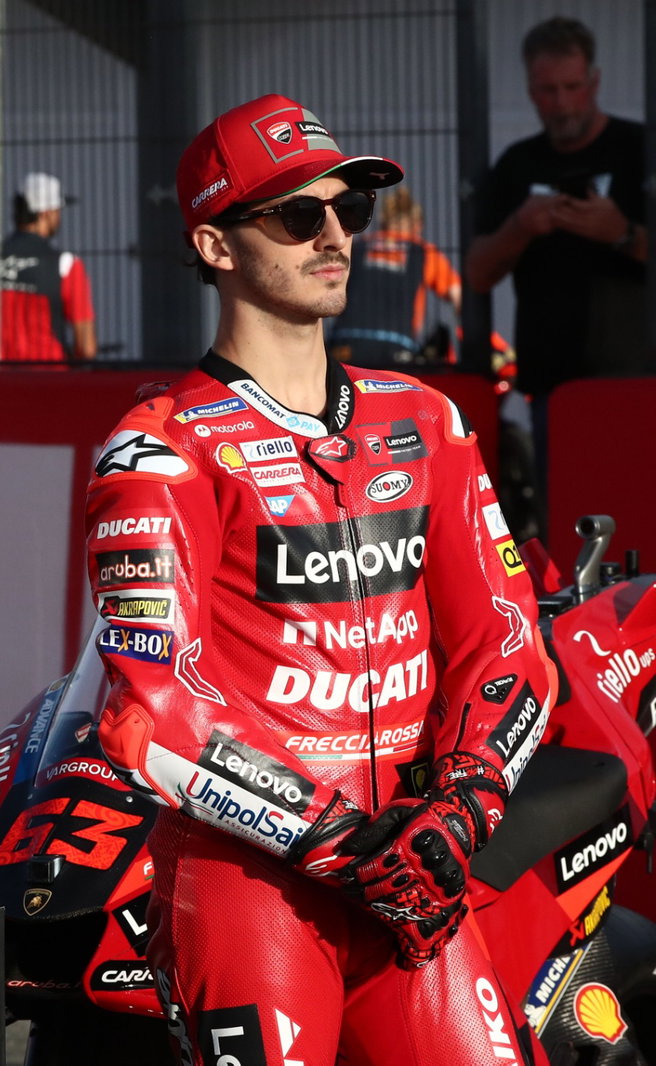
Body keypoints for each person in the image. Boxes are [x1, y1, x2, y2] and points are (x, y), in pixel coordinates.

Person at [88, 93, 558, 1063]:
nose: (334, 234)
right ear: (216, 247)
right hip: (248, 881)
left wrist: (463, 801)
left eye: (351, 210)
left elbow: (506, 640)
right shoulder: (156, 448)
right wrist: (336, 842)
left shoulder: (425, 420)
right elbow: (153, 706)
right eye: (298, 215)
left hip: (415, 874)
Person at [466, 17, 647, 520]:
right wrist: (522, 226)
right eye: (547, 90)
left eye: (572, 87)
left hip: (640, 379)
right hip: (555, 389)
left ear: (595, 82)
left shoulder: (639, 151)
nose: (562, 103)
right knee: (571, 523)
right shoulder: (517, 165)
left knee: (642, 517)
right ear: (530, 89)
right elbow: (478, 274)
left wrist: (623, 234)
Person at [0, 171, 98, 362]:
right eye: (58, 210)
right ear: (47, 213)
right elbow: (87, 348)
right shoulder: (67, 266)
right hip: (48, 381)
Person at [327, 187, 461, 367]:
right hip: (396, 345)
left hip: (345, 342)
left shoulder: (358, 247)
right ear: (417, 225)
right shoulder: (423, 252)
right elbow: (458, 297)